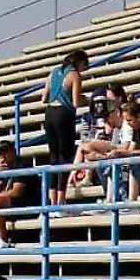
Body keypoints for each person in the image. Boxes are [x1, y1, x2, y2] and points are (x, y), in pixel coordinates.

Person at [40, 49, 89, 207]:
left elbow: (44, 98)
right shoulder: (74, 75)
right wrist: (89, 100)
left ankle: (52, 201)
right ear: (80, 62)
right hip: (63, 114)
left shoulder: (53, 72)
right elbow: (76, 102)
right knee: (65, 157)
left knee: (53, 158)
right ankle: (61, 201)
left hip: (49, 114)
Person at [0, 142, 37, 249]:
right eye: (0, 154)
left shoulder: (22, 165)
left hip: (27, 203)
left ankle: (4, 240)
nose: (3, 157)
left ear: (13, 151)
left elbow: (16, 192)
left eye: (5, 153)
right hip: (11, 204)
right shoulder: (3, 167)